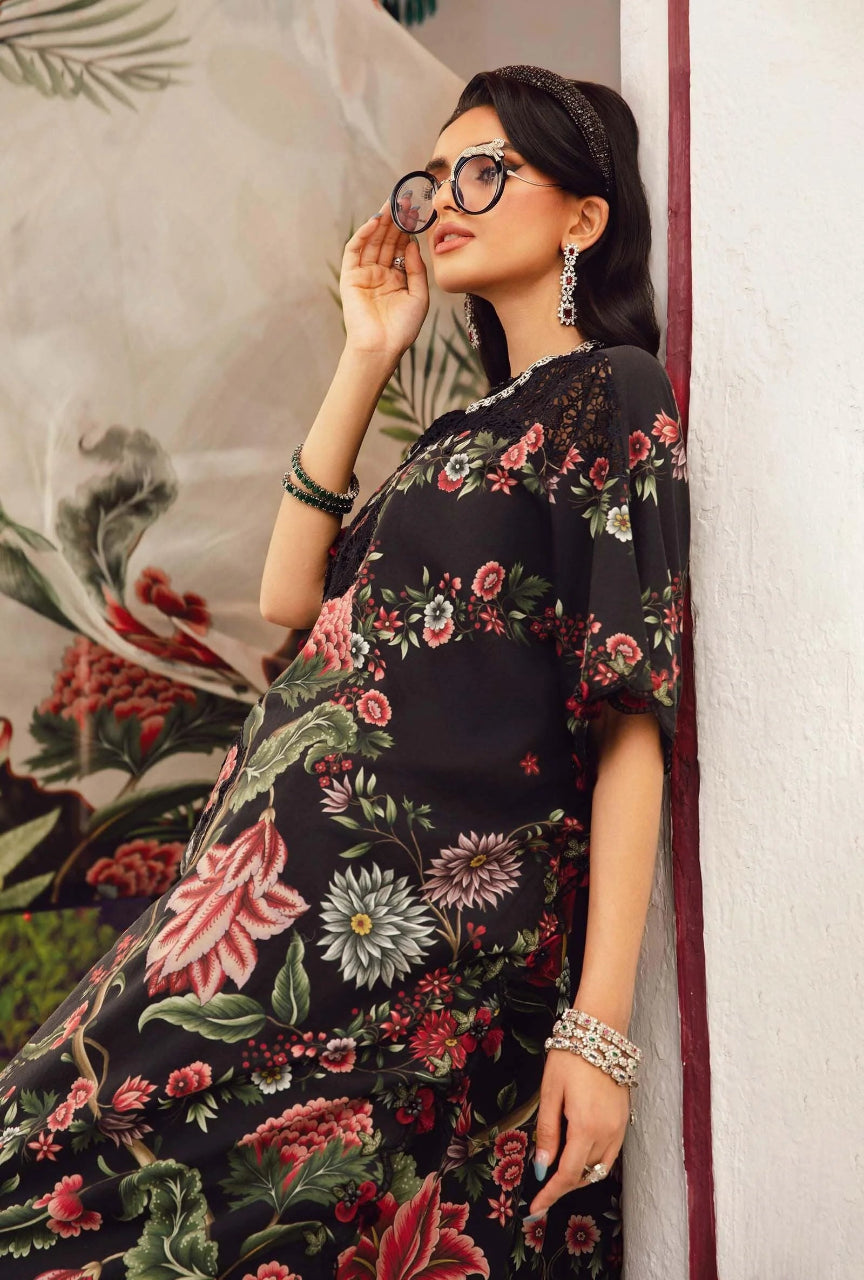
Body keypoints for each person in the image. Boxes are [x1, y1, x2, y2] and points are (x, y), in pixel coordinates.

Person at [0, 65, 690, 1279]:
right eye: (437, 177)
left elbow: (630, 712)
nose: (446, 200)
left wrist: (600, 1025)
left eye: (488, 169)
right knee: (61, 1162)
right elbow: (288, 591)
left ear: (584, 217)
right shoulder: (460, 435)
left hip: (412, 938)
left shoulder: (610, 393)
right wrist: (368, 349)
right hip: (266, 906)